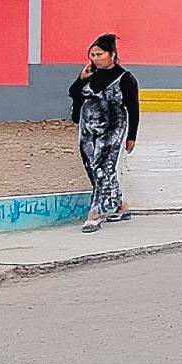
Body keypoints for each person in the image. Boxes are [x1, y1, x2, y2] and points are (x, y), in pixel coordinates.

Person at [68, 33, 140, 233]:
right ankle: (119, 205)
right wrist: (81, 79)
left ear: (112, 55)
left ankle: (95, 213)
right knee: (92, 168)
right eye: (92, 55)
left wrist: (131, 136)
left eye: (99, 54)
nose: (95, 58)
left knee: (102, 168)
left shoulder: (125, 78)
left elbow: (133, 108)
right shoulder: (90, 74)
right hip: (88, 130)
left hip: (112, 129)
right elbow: (73, 93)